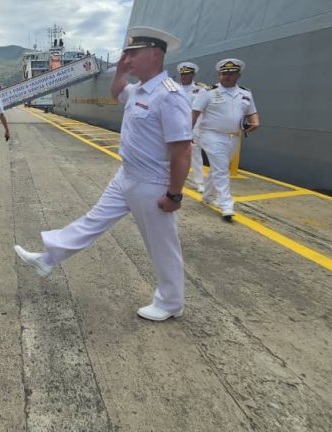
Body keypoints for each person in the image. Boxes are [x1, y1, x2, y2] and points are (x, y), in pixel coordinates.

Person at [14, 26, 192, 322]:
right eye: (127, 53)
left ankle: (171, 303)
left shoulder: (169, 96)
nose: (128, 58)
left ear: (155, 55)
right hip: (127, 176)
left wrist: (174, 194)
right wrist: (121, 71)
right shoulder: (138, 90)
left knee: (161, 245)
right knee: (92, 221)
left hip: (152, 183)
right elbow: (117, 92)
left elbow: (182, 149)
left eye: (134, 54)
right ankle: (47, 259)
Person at [192, 58, 259, 222]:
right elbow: (194, 113)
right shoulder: (208, 92)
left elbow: (252, 112)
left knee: (217, 169)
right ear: (219, 74)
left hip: (233, 137)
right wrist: (186, 134)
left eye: (231, 73)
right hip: (211, 134)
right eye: (224, 73)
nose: (227, 76)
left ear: (238, 75)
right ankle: (227, 205)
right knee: (222, 169)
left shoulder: (245, 93)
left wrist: (256, 122)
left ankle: (207, 196)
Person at [177, 61, 207, 192]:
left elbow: (204, 109)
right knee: (170, 153)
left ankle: (199, 182)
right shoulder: (173, 88)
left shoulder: (201, 90)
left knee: (195, 154)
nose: (184, 76)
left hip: (194, 127)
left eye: (187, 74)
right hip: (175, 126)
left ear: (193, 75)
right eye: (182, 74)